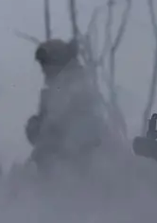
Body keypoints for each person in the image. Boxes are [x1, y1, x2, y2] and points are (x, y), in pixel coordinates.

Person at [25, 38, 109, 171]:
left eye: (46, 64)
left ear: (57, 63)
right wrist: (35, 127)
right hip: (54, 164)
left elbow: (84, 130)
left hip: (75, 167)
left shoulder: (78, 88)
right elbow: (45, 128)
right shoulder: (51, 92)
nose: (43, 70)